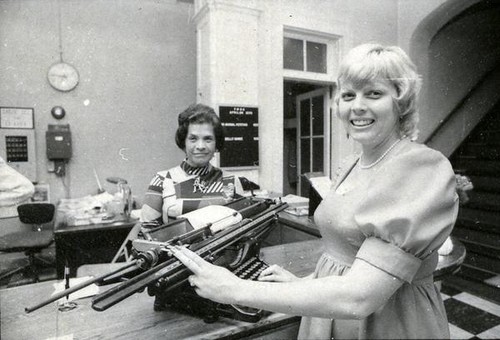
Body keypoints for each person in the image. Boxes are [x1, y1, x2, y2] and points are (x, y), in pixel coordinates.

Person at [171, 43, 459, 339]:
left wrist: (235, 289)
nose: (357, 106)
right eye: (348, 95)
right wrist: (302, 282)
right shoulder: (351, 164)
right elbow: (346, 257)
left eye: (374, 93)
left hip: (389, 324)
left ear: (401, 102)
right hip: (328, 319)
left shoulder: (420, 168)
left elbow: (361, 295)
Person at [141, 103, 243, 224]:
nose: (200, 146)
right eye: (193, 139)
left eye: (208, 139)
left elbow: (243, 229)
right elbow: (146, 231)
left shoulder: (231, 181)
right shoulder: (162, 180)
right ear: (183, 142)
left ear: (216, 143)